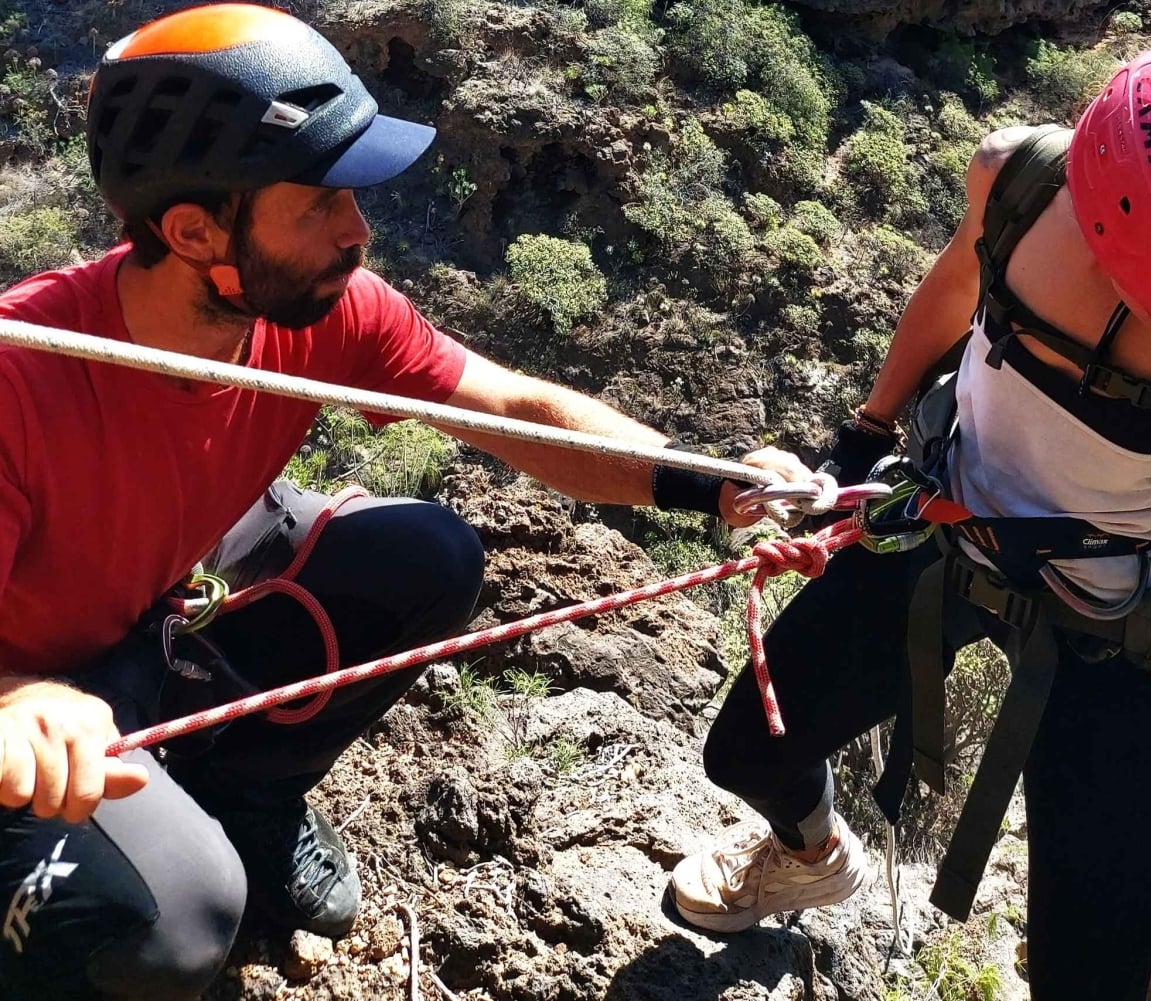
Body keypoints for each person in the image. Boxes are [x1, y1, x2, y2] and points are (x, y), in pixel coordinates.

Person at [0, 4, 811, 998]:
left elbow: (516, 409)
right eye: (319, 205)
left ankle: (252, 794)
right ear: (193, 230)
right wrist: (19, 703)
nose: (359, 231)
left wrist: (711, 482)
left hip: (141, 611)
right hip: (32, 718)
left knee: (426, 556)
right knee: (175, 922)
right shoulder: (20, 379)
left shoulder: (331, 313)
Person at [670, 36, 1151, 1000]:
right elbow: (952, 293)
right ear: (1111, 226)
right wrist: (863, 434)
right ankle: (811, 853)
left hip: (1127, 630)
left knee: (1091, 973)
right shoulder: (1016, 186)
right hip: (948, 526)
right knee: (747, 750)